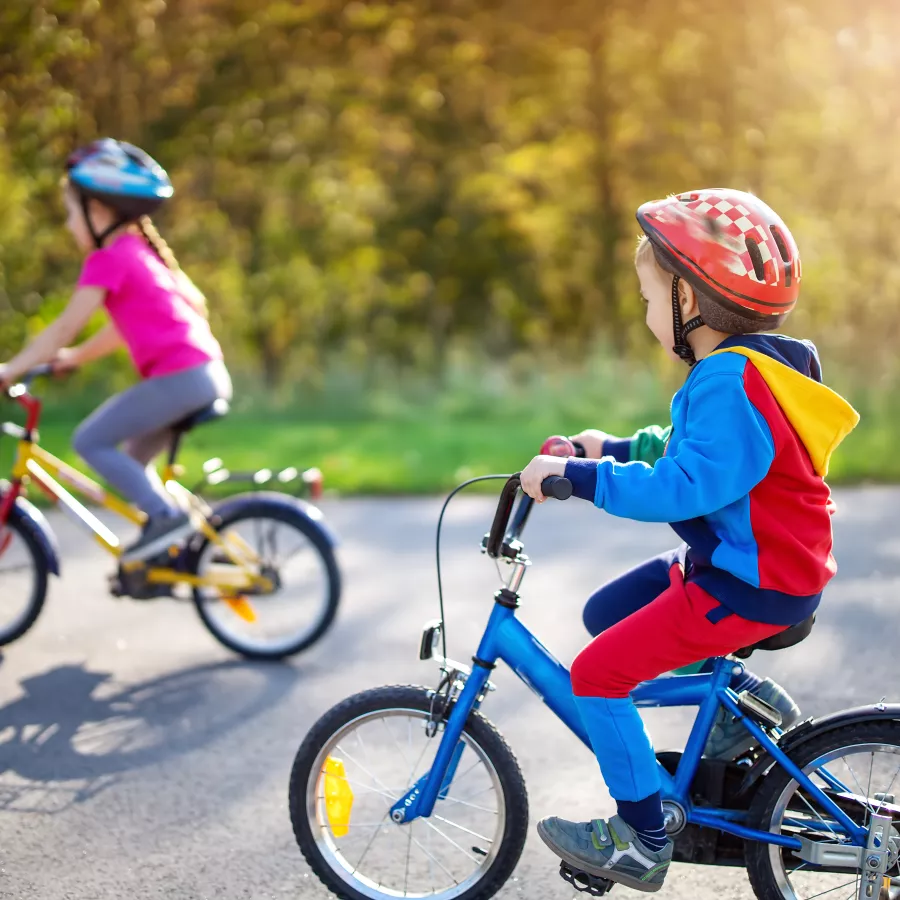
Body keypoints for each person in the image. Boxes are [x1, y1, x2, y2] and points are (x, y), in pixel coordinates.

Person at [520, 189, 859, 892]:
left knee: (596, 673)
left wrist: (581, 479)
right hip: (750, 561)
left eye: (649, 297)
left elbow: (684, 487)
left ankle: (641, 837)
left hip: (753, 580)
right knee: (606, 615)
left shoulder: (731, 379)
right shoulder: (747, 370)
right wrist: (611, 446)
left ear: (691, 300)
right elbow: (697, 453)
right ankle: (742, 711)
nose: (645, 314)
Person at [0, 139, 231, 562]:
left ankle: (166, 519)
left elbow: (64, 326)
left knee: (90, 440)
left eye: (72, 213)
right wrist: (71, 358)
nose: (70, 225)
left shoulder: (108, 259)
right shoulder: (137, 253)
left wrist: (10, 368)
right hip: (203, 375)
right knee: (132, 459)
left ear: (100, 211)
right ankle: (176, 547)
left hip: (181, 378)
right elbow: (119, 332)